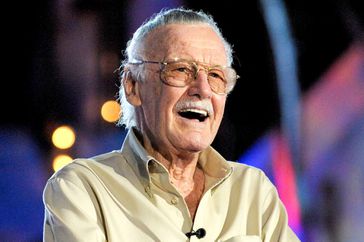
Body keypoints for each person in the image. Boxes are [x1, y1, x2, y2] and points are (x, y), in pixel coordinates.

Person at [42, 7, 300, 241]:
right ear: (132, 86)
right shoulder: (82, 189)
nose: (202, 89)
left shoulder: (253, 190)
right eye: (180, 70)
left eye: (216, 76)